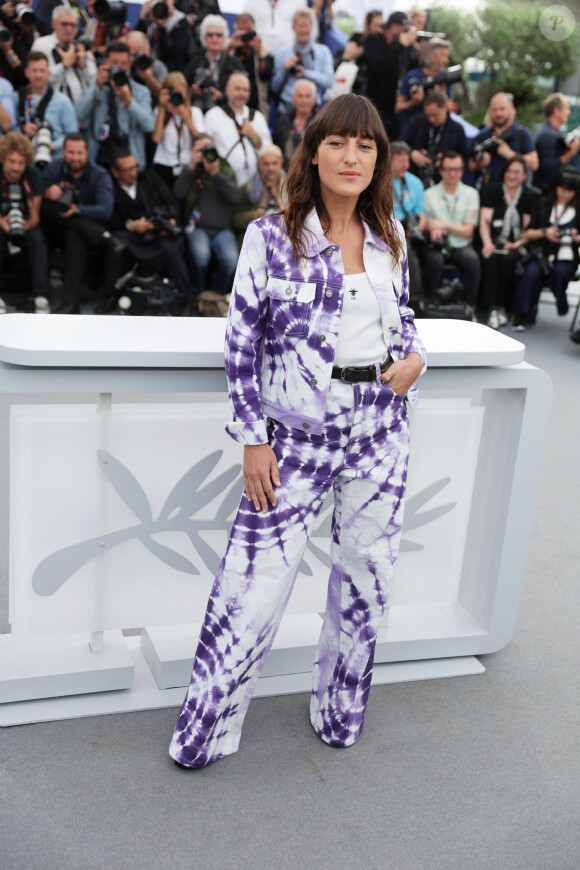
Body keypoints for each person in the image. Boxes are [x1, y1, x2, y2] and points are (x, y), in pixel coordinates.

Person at [169, 93, 426, 769]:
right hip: (293, 440)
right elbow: (241, 343)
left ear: (379, 161)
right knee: (250, 588)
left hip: (379, 429)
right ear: (313, 152)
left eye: (366, 146)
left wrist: (416, 360)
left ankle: (340, 712)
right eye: (338, 143)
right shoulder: (272, 236)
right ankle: (205, 732)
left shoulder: (389, 237)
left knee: (367, 579)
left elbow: (405, 323)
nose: (352, 157)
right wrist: (254, 438)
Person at [101, 147, 194, 311]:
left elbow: (171, 203)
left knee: (172, 249)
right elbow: (108, 218)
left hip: (156, 235)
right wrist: (131, 225)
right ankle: (110, 295)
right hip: (130, 236)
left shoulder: (148, 178)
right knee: (115, 245)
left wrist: (167, 218)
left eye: (134, 167)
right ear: (115, 172)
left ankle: (185, 296)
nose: (133, 173)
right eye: (127, 169)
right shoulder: (109, 187)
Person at [41, 131, 116, 313]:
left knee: (74, 234)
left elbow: (106, 211)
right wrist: (46, 193)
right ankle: (102, 236)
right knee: (48, 206)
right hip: (55, 229)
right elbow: (35, 202)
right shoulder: (53, 169)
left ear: (87, 152)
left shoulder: (100, 174)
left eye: (79, 153)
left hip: (83, 235)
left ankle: (71, 303)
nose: (75, 157)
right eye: (71, 152)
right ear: (63, 151)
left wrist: (78, 210)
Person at [511, 168, 580, 330]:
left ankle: (560, 300)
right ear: (555, 186)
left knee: (560, 271)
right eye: (562, 189)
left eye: (570, 190)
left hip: (567, 256)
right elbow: (527, 233)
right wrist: (544, 232)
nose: (565, 194)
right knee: (532, 272)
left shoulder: (578, 210)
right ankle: (521, 313)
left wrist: (576, 237)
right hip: (541, 253)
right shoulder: (543, 204)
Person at [173, 133, 239, 303]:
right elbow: (178, 193)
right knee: (200, 256)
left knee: (230, 259)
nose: (205, 153)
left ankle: (216, 297)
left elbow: (234, 196)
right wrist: (190, 167)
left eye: (209, 148)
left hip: (222, 229)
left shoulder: (225, 168)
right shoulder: (191, 170)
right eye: (200, 150)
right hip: (197, 227)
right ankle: (198, 295)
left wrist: (216, 173)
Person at [75, 40, 154, 170]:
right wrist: (97, 86)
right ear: (105, 62)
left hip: (128, 162)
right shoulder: (96, 87)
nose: (119, 67)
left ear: (130, 64)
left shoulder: (141, 92)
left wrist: (129, 101)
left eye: (123, 63)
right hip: (98, 159)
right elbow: (79, 114)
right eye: (114, 63)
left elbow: (150, 125)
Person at [478, 156, 535, 329]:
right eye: (509, 171)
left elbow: (528, 231)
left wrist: (513, 245)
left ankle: (504, 307)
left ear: (524, 175)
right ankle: (491, 308)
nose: (512, 176)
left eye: (517, 172)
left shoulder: (528, 195)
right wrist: (488, 243)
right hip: (492, 240)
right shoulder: (492, 191)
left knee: (509, 259)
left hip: (516, 244)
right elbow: (484, 222)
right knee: (490, 258)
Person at [423, 151, 480, 318]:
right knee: (433, 259)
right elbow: (424, 223)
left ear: (462, 170)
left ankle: (470, 306)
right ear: (441, 171)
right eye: (448, 169)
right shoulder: (429, 194)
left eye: (457, 169)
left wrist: (443, 224)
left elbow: (468, 230)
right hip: (438, 243)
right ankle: (430, 304)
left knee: (473, 260)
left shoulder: (471, 194)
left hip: (461, 243)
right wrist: (432, 227)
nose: (452, 173)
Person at [0, 131, 49, 311]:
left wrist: (26, 223)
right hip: (1, 221)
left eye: (21, 163)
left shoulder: (33, 174)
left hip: (25, 221)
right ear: (3, 159)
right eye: (12, 161)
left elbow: (35, 215)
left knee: (37, 239)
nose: (16, 168)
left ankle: (40, 295)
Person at [203, 71, 271, 187]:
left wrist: (254, 136)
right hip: (223, 183)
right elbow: (205, 148)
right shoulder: (213, 115)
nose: (242, 93)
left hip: (253, 186)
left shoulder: (257, 117)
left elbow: (268, 153)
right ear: (227, 90)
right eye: (237, 89)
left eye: (246, 90)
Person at [16, 49, 78, 162]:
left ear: (48, 73)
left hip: (54, 158)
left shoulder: (63, 101)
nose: (38, 75)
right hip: (23, 159)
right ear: (26, 72)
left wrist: (53, 145)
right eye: (34, 70)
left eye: (42, 70)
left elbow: (72, 133)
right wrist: (22, 128)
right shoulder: (17, 97)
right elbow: (8, 128)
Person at [469, 92, 538, 190]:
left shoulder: (521, 134)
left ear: (511, 109)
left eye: (502, 109)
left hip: (515, 195)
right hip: (487, 194)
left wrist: (510, 154)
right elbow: (469, 165)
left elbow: (534, 164)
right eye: (495, 110)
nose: (498, 113)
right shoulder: (482, 135)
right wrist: (480, 163)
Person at [270, 7, 333, 112]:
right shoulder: (282, 53)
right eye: (300, 26)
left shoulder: (323, 51)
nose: (303, 30)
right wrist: (284, 70)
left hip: (313, 111)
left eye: (306, 26)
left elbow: (329, 81)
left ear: (312, 27)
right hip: (287, 109)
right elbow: (274, 88)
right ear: (293, 27)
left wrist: (306, 73)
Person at [31, 5, 97, 105]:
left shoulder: (81, 48)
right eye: (64, 24)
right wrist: (63, 66)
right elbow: (36, 79)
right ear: (53, 24)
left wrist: (83, 66)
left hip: (81, 112)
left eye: (73, 25)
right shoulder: (42, 44)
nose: (69, 29)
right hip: (50, 108)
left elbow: (95, 83)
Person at [151, 71, 204, 187]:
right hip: (163, 165)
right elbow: (156, 138)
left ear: (186, 93)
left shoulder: (194, 112)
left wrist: (186, 118)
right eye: (173, 93)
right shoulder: (159, 112)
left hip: (187, 164)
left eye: (180, 93)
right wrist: (162, 109)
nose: (176, 97)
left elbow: (200, 140)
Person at [360, 11, 408, 138]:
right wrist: (400, 46)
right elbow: (378, 66)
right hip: (373, 105)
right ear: (393, 27)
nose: (405, 34)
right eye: (403, 30)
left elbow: (407, 65)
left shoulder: (399, 46)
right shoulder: (374, 39)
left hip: (392, 108)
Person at [405, 89, 467, 187]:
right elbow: (398, 144)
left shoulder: (457, 129)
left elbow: (464, 158)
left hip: (443, 182)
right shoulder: (417, 122)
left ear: (445, 108)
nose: (431, 119)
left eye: (435, 115)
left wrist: (446, 160)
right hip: (415, 178)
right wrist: (411, 153)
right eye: (428, 116)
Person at [183, 15, 243, 113]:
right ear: (203, 37)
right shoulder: (195, 61)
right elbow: (181, 85)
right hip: (196, 111)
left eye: (218, 35)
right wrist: (191, 91)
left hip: (225, 113)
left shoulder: (234, 63)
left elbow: (244, 91)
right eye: (210, 35)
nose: (214, 39)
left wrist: (222, 96)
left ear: (224, 38)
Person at [391, 140, 425, 310]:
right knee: (406, 250)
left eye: (407, 160)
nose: (406, 165)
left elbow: (421, 214)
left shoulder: (415, 183)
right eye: (401, 161)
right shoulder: (376, 181)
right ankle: (412, 301)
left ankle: (421, 300)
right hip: (387, 229)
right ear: (389, 161)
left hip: (409, 229)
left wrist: (419, 229)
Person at [395, 37, 451, 138]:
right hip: (412, 133)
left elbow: (450, 108)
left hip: (436, 136)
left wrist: (443, 97)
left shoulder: (445, 79)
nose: (446, 60)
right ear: (431, 55)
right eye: (443, 56)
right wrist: (412, 103)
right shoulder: (412, 76)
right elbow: (398, 107)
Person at [233, 142, 286, 241]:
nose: (271, 168)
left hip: (283, 240)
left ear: (281, 162)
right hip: (255, 240)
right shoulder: (247, 188)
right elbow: (235, 220)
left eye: (274, 163)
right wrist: (254, 215)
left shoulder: (291, 188)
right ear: (259, 163)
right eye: (266, 164)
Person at [226, 12, 272, 120]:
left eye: (249, 31)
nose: (246, 35)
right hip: (231, 103)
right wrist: (230, 46)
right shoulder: (230, 46)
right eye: (242, 31)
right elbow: (221, 66)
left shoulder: (262, 48)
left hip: (256, 104)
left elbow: (266, 75)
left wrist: (258, 53)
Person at [534, 93, 580, 194]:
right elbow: (548, 168)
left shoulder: (555, 132)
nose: (569, 112)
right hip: (544, 192)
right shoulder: (547, 134)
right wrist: (569, 154)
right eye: (566, 108)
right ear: (556, 110)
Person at [135, 0, 193, 73]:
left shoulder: (180, 21)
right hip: (146, 65)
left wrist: (162, 27)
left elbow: (173, 53)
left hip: (169, 69)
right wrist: (142, 19)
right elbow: (136, 40)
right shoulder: (151, 16)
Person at [273, 78, 316, 168]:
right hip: (287, 171)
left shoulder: (320, 123)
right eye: (300, 96)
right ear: (293, 99)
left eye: (308, 96)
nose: (304, 100)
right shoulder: (282, 121)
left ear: (314, 99)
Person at [126, 30, 168, 105]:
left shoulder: (157, 66)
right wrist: (127, 68)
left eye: (137, 53)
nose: (134, 57)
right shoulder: (123, 64)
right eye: (130, 53)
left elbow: (165, 96)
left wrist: (149, 78)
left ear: (148, 50)